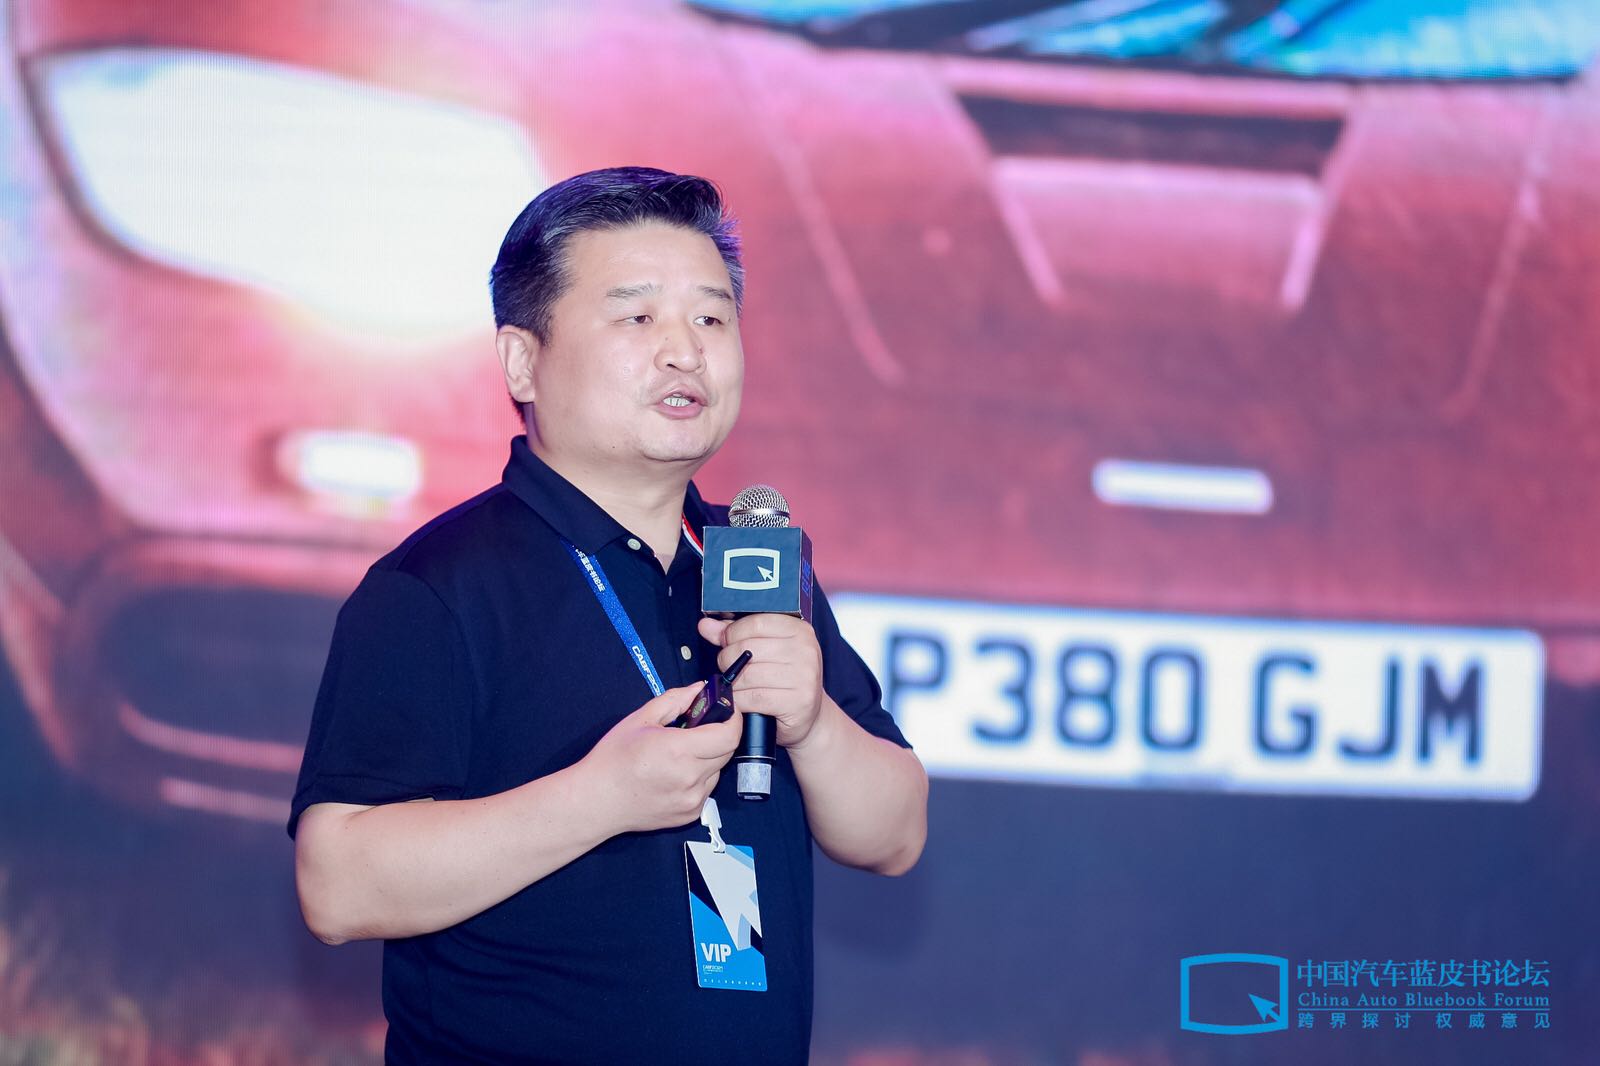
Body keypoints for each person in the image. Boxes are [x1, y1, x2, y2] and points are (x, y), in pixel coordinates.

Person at [289, 166, 928, 1064]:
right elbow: (338, 885)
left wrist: (814, 723)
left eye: (711, 319)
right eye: (638, 318)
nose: (685, 352)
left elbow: (896, 835)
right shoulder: (438, 586)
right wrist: (601, 798)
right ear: (523, 360)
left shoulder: (757, 565)